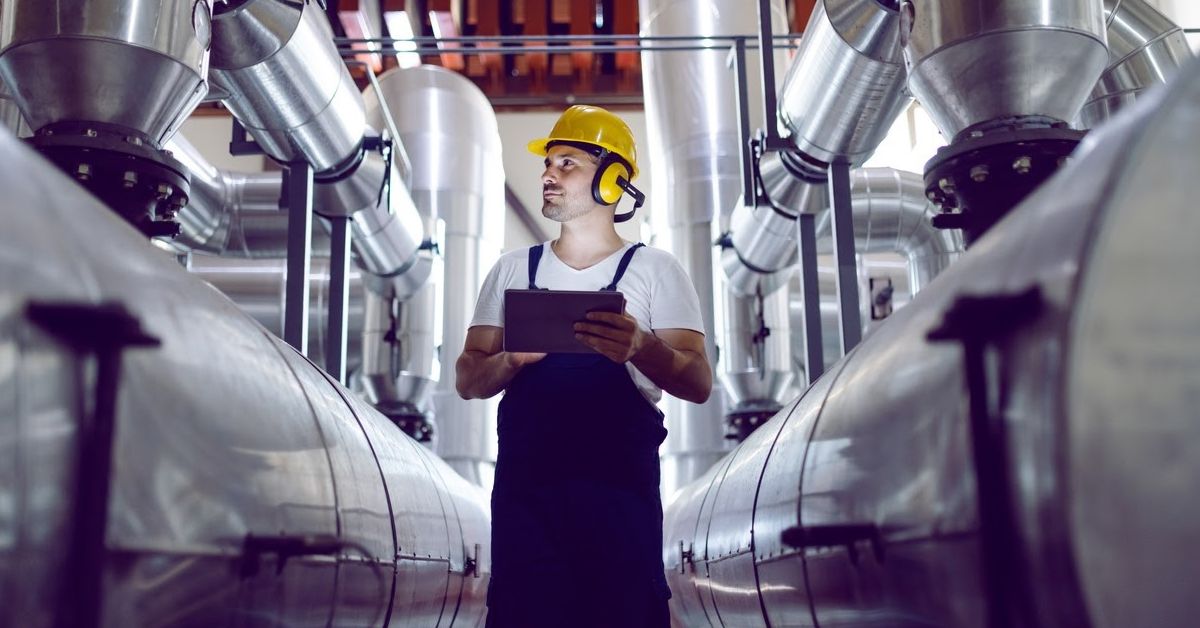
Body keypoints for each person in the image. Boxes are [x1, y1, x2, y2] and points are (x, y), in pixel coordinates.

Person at [455, 104, 712, 627]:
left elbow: (699, 382)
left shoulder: (655, 270)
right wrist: (511, 359)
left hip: (620, 507)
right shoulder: (512, 269)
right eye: (547, 164)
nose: (548, 175)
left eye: (567, 163)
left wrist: (642, 346)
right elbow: (467, 378)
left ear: (613, 179)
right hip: (526, 509)